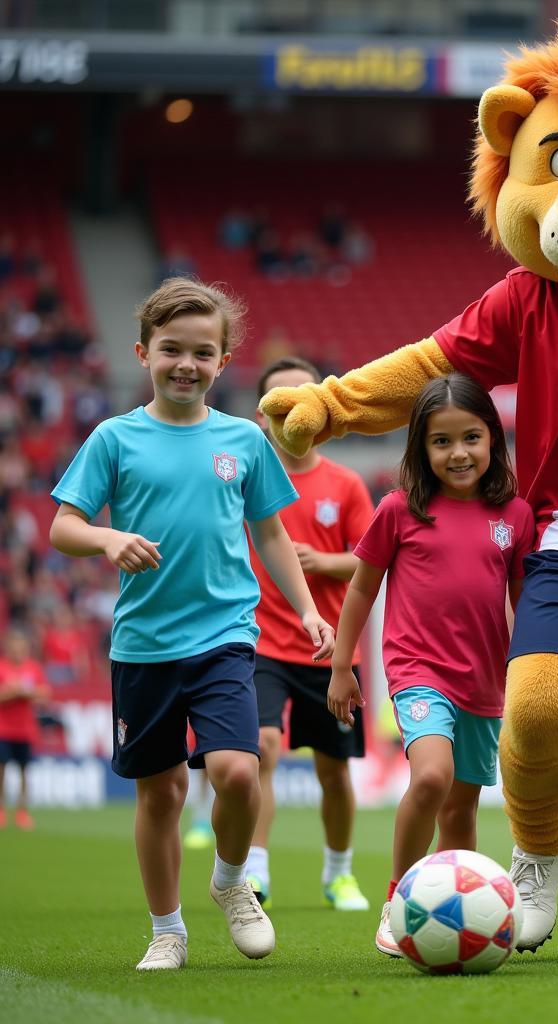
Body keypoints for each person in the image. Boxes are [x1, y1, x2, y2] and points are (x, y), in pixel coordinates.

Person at [48, 277, 336, 972]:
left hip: (226, 638)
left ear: (222, 360)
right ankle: (167, 929)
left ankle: (232, 883)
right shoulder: (114, 439)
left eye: (202, 353)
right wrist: (109, 541)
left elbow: (270, 535)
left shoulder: (244, 439)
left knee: (238, 772)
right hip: (143, 646)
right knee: (163, 791)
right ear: (144, 352)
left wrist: (304, 609)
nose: (186, 363)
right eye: (172, 349)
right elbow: (64, 526)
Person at [326, 373, 534, 957]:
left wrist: (529, 667)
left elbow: (522, 600)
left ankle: (453, 927)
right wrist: (344, 667)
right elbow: (363, 591)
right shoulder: (399, 509)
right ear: (421, 447)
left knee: (461, 808)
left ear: (492, 438)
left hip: (484, 680)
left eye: (470, 437)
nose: (458, 453)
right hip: (419, 670)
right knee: (433, 776)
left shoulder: (514, 516)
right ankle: (399, 904)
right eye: (441, 442)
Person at [244, 355, 375, 912]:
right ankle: (254, 870)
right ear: (262, 413)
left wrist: (322, 562)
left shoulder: (344, 485)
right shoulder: (245, 477)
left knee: (332, 769)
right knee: (261, 750)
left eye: (304, 396)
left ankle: (339, 873)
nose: (294, 408)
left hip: (329, 649)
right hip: (259, 644)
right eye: (281, 399)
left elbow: (373, 561)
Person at [0, 626, 52, 830]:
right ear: (8, 647)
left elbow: (44, 693)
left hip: (25, 729)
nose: (17, 650)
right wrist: (13, 691)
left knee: (24, 773)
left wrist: (24, 691)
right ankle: (1, 811)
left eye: (20, 646)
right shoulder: (2, 667)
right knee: (1, 771)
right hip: (3, 729)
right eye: (14, 646)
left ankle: (22, 812)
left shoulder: (33, 668)